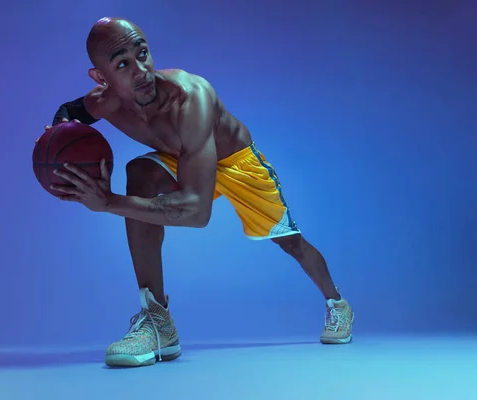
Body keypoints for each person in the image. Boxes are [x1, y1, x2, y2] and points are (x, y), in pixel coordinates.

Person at [41, 17, 354, 368]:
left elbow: (197, 213)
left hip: (235, 163)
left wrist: (109, 203)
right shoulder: (103, 103)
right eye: (123, 64)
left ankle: (337, 305)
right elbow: (70, 112)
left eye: (142, 53)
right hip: (182, 157)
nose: (140, 69)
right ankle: (158, 322)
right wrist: (55, 138)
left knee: (291, 242)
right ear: (101, 78)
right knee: (139, 171)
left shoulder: (191, 98)